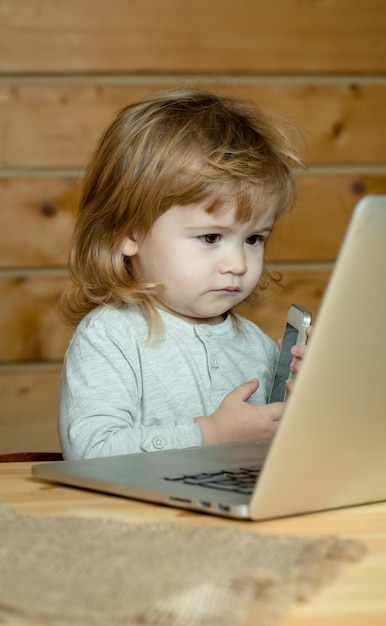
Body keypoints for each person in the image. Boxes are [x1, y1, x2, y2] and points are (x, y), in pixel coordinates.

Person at [58, 87, 308, 461]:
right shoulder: (109, 337)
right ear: (127, 233)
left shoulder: (255, 345)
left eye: (254, 238)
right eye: (211, 237)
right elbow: (90, 452)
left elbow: (275, 449)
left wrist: (305, 395)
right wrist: (210, 434)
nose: (238, 264)